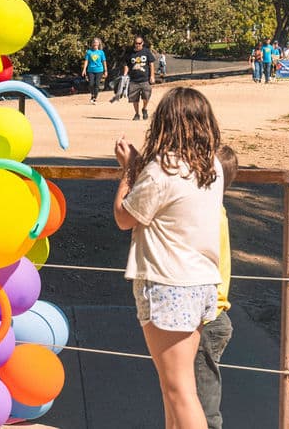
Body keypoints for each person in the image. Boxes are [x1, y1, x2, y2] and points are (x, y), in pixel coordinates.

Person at [112, 86, 224, 429]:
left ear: (164, 123)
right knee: (174, 386)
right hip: (201, 282)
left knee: (178, 390)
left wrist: (130, 169)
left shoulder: (163, 170)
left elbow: (124, 216)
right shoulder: (212, 167)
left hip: (167, 284)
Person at [195, 145, 238, 429]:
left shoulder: (208, 214)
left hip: (208, 319)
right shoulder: (218, 210)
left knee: (204, 407)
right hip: (214, 316)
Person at [122, 35, 157, 121]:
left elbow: (151, 64)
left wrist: (152, 76)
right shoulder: (130, 53)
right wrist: (125, 75)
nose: (137, 45)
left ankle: (144, 109)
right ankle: (137, 114)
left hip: (145, 79)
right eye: (136, 43)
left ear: (142, 43)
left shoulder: (146, 52)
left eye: (139, 43)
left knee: (146, 96)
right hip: (133, 80)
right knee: (134, 98)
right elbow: (126, 64)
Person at [81, 37, 108, 104]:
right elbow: (86, 61)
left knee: (97, 84)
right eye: (94, 42)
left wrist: (105, 70)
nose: (95, 43)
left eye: (97, 42)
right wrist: (84, 69)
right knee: (91, 84)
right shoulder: (89, 52)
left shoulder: (101, 52)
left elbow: (104, 61)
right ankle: (92, 94)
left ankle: (94, 98)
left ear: (99, 44)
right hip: (91, 70)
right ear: (92, 43)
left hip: (99, 70)